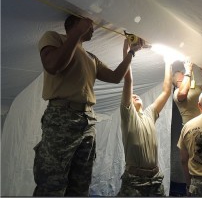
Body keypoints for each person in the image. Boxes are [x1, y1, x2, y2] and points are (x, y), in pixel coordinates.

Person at [33, 15, 141, 196]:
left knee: (81, 182)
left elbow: (115, 77)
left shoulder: (91, 57)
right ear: (74, 24)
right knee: (52, 182)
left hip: (88, 120)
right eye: (88, 24)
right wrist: (77, 33)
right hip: (62, 117)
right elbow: (52, 65)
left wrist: (131, 53)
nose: (93, 28)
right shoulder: (54, 38)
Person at [117, 40, 173, 197]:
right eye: (132, 96)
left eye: (136, 96)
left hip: (154, 180)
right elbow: (128, 80)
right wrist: (127, 49)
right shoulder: (128, 115)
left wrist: (168, 60)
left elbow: (166, 91)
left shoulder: (149, 114)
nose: (135, 96)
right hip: (134, 181)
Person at [173, 60, 202, 125]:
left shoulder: (196, 87)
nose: (184, 74)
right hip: (191, 126)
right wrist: (188, 70)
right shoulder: (176, 92)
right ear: (178, 80)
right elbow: (183, 93)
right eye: (182, 74)